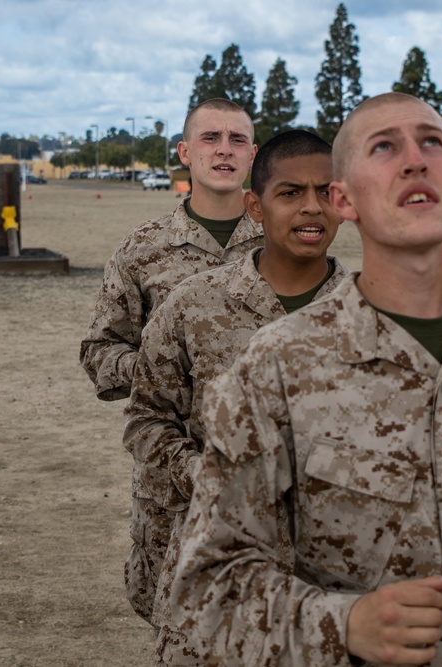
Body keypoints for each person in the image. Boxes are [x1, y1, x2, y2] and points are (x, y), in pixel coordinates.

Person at [170, 93, 442, 666]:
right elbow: (208, 588)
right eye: (384, 147)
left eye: (432, 142)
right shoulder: (277, 365)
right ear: (343, 199)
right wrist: (343, 624)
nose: (414, 160)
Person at [124, 129, 349, 664]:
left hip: (338, 581)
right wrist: (202, 474)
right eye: (290, 193)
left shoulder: (373, 315)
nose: (310, 208)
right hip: (217, 572)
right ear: (255, 206)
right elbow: (146, 420)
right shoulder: (193, 306)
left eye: (325, 192)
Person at [79, 98, 263, 623]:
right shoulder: (143, 250)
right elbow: (100, 351)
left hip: (267, 474)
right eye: (210, 138)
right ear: (184, 152)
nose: (224, 150)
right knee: (171, 614)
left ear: (253, 155)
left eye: (237, 140)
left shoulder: (284, 244)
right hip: (173, 475)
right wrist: (159, 373)